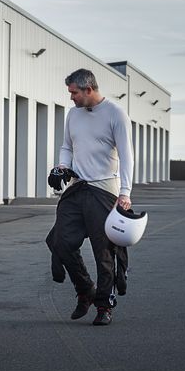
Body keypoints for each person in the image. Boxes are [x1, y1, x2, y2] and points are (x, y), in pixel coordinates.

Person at [46, 68, 134, 326]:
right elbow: (67, 146)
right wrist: (61, 167)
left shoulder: (115, 114)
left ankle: (104, 305)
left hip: (104, 190)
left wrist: (125, 192)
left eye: (73, 92)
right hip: (77, 186)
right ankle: (85, 289)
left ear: (89, 89)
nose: (70, 97)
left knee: (103, 251)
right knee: (59, 241)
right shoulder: (73, 114)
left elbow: (127, 156)